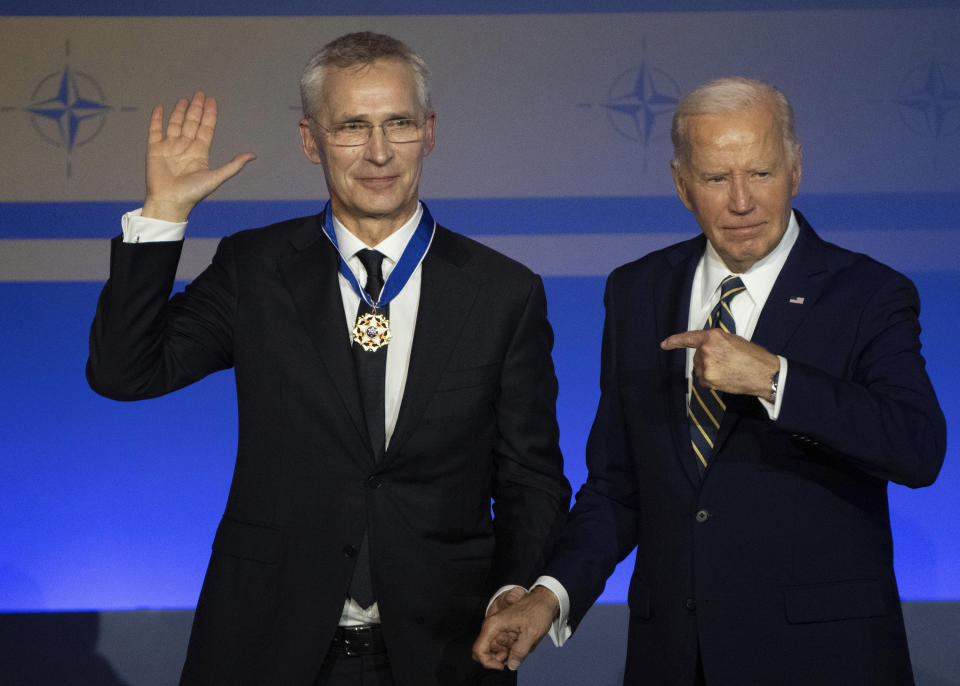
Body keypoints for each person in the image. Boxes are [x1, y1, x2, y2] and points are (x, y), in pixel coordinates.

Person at [87, 31, 570, 686]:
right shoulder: (255, 269)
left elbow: (530, 478)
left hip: (444, 650)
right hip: (266, 644)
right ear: (311, 140)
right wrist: (163, 213)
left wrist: (516, 587)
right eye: (351, 127)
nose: (378, 152)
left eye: (397, 123)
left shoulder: (504, 292)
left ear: (428, 132)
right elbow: (125, 372)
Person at [473, 77, 946, 685]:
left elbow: (916, 447)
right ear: (681, 185)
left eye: (762, 173)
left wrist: (776, 379)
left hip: (822, 659)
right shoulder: (637, 290)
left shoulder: (868, 294)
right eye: (717, 179)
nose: (742, 201)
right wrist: (549, 596)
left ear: (796, 170)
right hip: (673, 658)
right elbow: (618, 485)